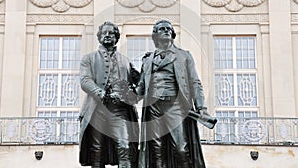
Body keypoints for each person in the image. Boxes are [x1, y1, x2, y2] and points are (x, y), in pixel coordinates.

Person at [136, 20, 210, 168]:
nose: (166, 31)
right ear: (155, 35)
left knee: (181, 148)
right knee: (157, 151)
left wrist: (201, 108)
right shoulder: (148, 60)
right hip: (154, 109)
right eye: (162, 29)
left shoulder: (184, 56)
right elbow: (141, 89)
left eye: (169, 29)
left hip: (175, 106)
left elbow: (195, 83)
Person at [79, 21, 140, 168]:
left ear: (116, 37)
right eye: (104, 33)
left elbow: (139, 83)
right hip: (97, 109)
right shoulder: (89, 58)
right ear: (99, 37)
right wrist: (102, 94)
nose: (107, 36)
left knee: (125, 146)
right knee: (97, 150)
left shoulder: (126, 61)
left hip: (120, 110)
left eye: (111, 33)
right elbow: (85, 81)